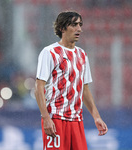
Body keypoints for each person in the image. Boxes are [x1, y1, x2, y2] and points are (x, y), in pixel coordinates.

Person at [34, 11, 108, 150]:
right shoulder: (49, 52)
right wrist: (46, 118)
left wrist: (96, 116)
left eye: (80, 25)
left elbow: (84, 89)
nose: (79, 29)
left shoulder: (82, 55)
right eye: (74, 25)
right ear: (62, 28)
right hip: (56, 118)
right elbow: (39, 87)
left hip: (77, 121)